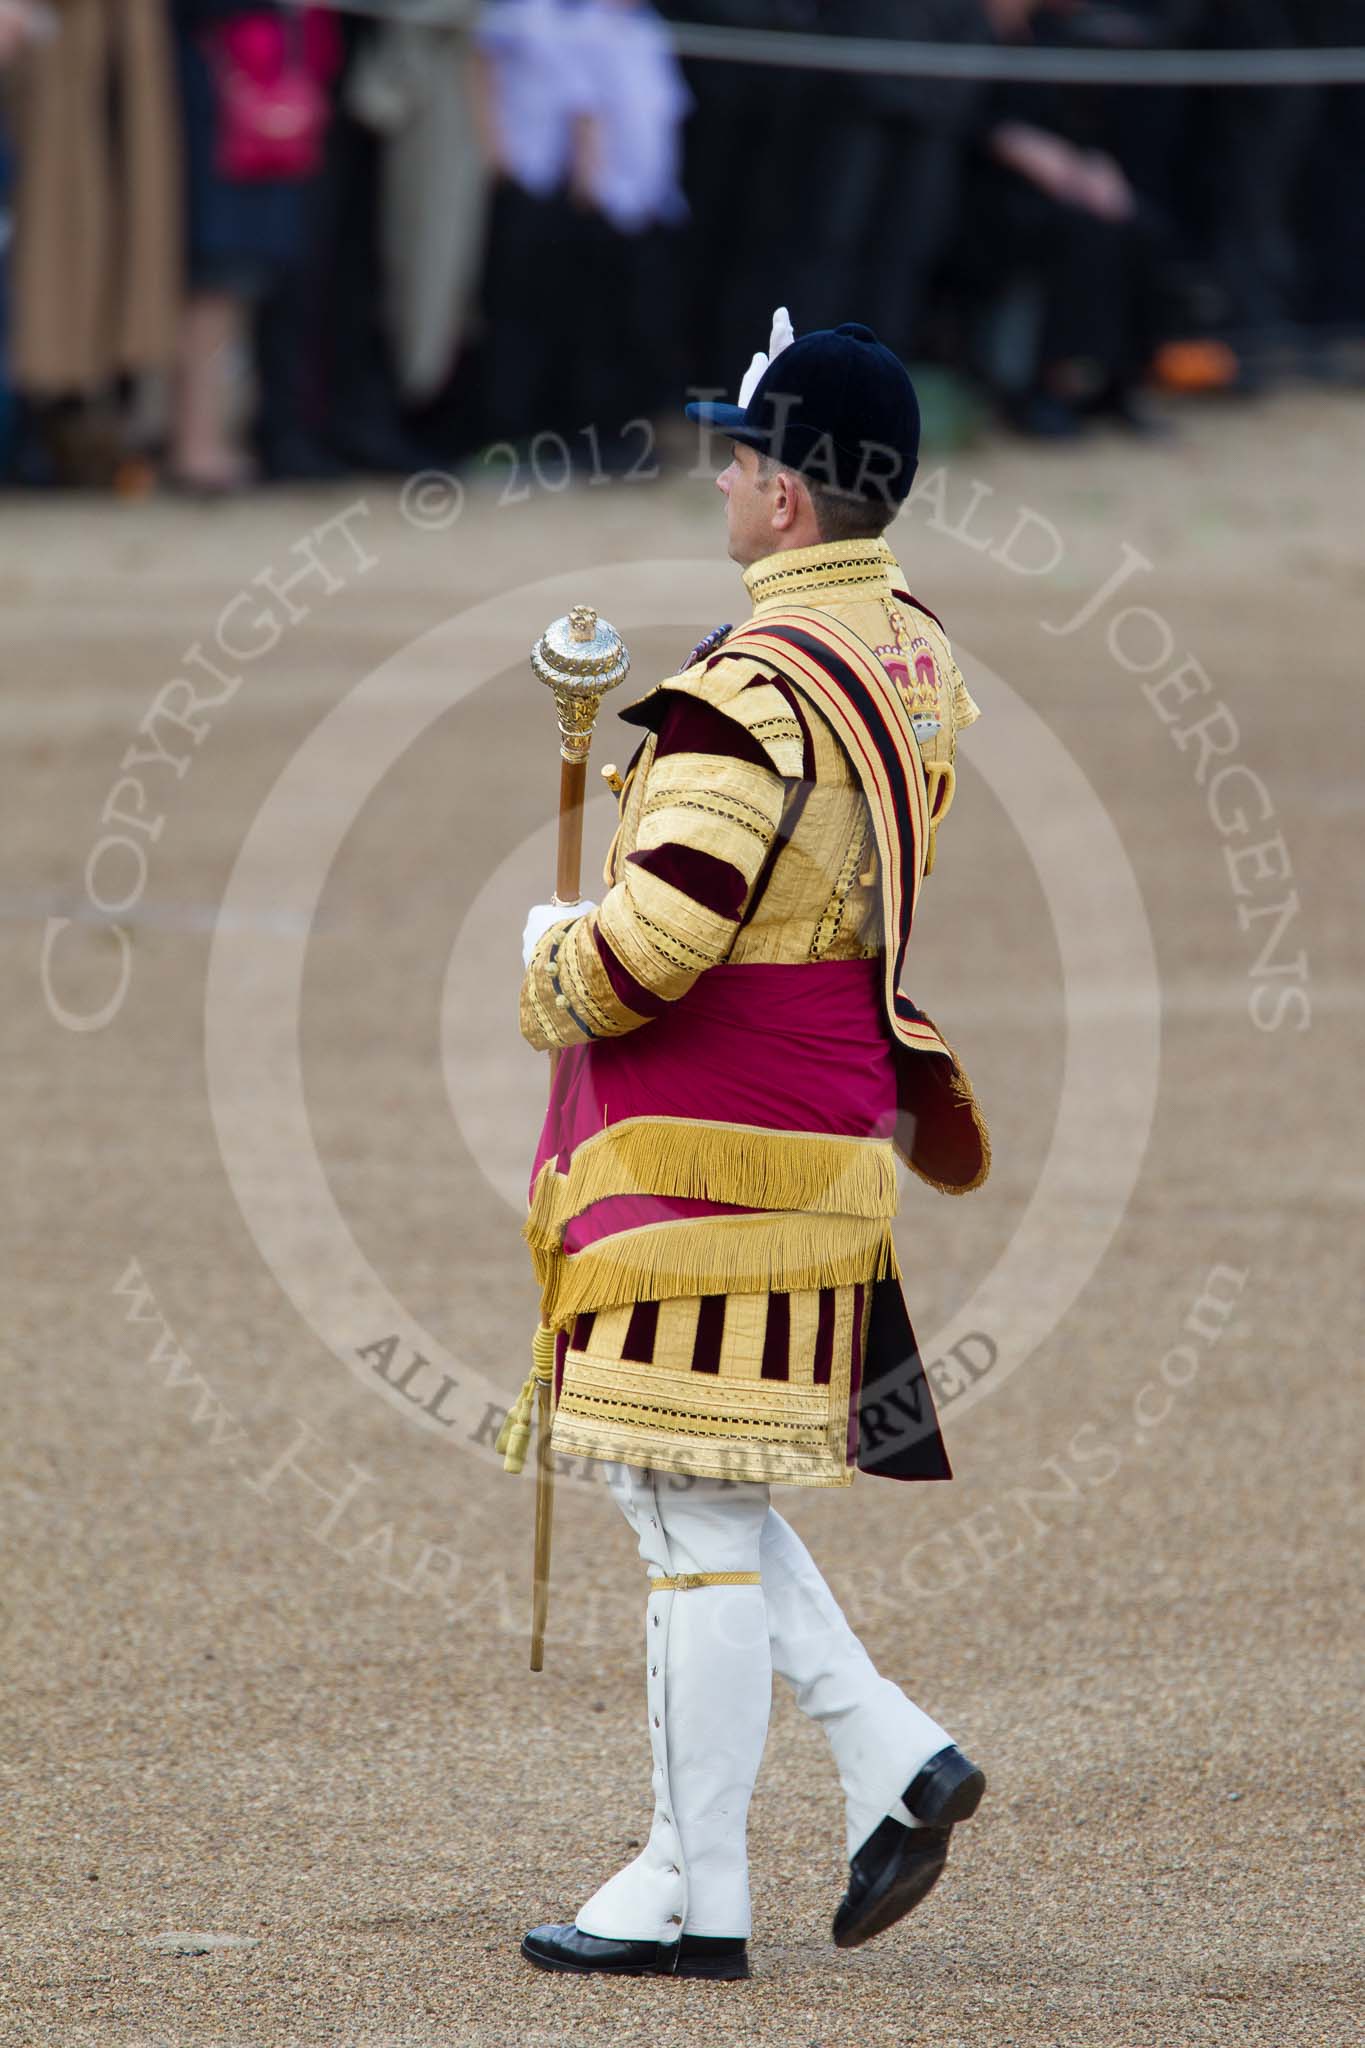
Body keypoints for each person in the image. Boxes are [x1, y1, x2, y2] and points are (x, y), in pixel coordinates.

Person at [513, 313, 991, 1978]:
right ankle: (883, 1757)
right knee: (695, 1483)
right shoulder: (911, 649)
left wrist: (547, 951)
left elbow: (654, 951)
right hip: (820, 1123)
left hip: (706, 1150)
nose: (719, 475)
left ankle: (690, 1881)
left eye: (740, 452)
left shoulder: (749, 687)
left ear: (788, 497)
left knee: (684, 1504)